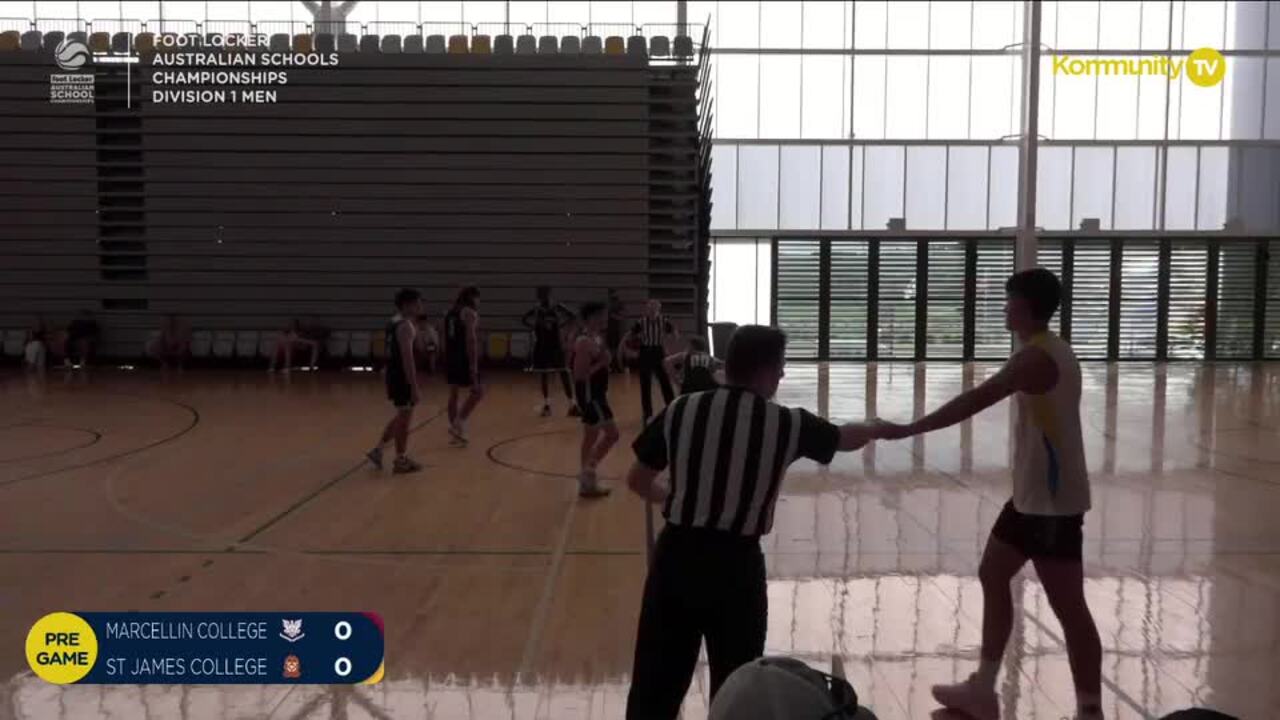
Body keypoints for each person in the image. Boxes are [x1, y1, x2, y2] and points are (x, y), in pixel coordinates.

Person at [875, 268, 1102, 720]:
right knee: (993, 572)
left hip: (1053, 508)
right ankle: (983, 687)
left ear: (1026, 306)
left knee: (1070, 609)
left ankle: (1089, 709)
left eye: (1009, 300)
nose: (1003, 308)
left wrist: (906, 430)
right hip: (1030, 501)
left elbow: (975, 400)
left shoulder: (1036, 359)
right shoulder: (1042, 349)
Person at [624, 324, 883, 719]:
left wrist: (679, 499)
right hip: (736, 569)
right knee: (739, 685)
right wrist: (885, 427)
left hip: (676, 560)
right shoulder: (787, 423)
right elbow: (845, 437)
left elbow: (637, 480)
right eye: (780, 366)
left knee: (655, 684)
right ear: (763, 370)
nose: (782, 375)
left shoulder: (681, 409)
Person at [367, 289, 426, 474]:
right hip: (401, 377)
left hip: (394, 375)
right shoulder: (406, 326)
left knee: (401, 416)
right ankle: (400, 460)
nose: (420, 307)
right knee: (405, 419)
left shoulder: (393, 322)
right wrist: (414, 386)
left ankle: (378, 450)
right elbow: (407, 358)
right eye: (417, 303)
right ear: (407, 305)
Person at [570, 302, 616, 499]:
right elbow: (579, 375)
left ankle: (586, 479)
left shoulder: (597, 338)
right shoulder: (583, 342)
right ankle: (587, 476)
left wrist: (605, 362)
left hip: (598, 393)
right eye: (601, 315)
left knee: (595, 437)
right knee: (609, 434)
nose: (605, 319)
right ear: (591, 318)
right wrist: (602, 363)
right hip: (590, 394)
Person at [523, 286, 577, 417]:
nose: (542, 297)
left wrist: (561, 326)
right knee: (544, 375)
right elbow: (523, 319)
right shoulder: (536, 310)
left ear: (549, 294)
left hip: (555, 346)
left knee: (564, 373)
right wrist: (534, 326)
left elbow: (573, 315)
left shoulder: (557, 307)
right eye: (540, 294)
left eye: (544, 294)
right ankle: (547, 406)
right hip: (542, 345)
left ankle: (572, 405)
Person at [443, 286, 484, 446]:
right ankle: (458, 423)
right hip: (463, 357)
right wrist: (473, 364)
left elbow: (443, 334)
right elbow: (471, 339)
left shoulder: (450, 313)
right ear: (472, 297)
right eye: (478, 298)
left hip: (451, 356)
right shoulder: (469, 313)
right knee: (478, 391)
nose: (479, 301)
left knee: (453, 394)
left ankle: (456, 434)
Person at [626, 299, 678, 420]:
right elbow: (630, 334)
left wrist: (669, 344)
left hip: (658, 351)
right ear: (646, 310)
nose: (651, 310)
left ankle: (670, 407)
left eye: (654, 308)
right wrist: (629, 349)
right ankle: (647, 412)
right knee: (645, 382)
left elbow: (674, 332)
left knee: (664, 380)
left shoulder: (663, 321)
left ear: (658, 309)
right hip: (645, 352)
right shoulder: (641, 321)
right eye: (649, 308)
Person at [607, 289, 626, 373]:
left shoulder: (619, 304)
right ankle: (613, 365)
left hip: (617, 329)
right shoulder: (609, 304)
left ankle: (617, 366)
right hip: (610, 329)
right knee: (612, 348)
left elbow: (622, 316)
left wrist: (614, 316)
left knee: (617, 348)